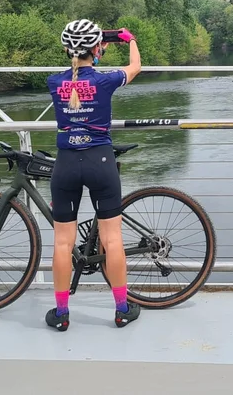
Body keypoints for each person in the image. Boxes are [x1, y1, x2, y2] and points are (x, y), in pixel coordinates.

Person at [43, 18, 142, 331]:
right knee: (112, 240)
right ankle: (122, 309)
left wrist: (97, 46)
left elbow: (77, 72)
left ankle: (61, 314)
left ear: (65, 49)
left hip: (66, 164)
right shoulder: (105, 80)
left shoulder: (53, 82)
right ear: (96, 49)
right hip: (100, 162)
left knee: (62, 243)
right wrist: (128, 39)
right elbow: (136, 66)